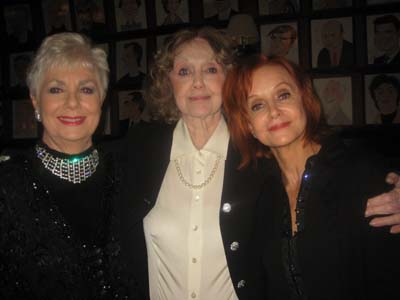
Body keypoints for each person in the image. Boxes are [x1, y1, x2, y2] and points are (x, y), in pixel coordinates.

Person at [119, 26, 400, 300]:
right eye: (184, 71)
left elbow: (335, 163)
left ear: (229, 81)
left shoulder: (258, 158)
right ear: (167, 82)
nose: (197, 82)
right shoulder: (141, 150)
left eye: (211, 69)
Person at [223, 54, 400, 299]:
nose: (273, 111)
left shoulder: (362, 173)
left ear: (304, 100)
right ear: (249, 125)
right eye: (257, 105)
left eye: (283, 95)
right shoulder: (260, 193)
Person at [0, 32, 139, 299]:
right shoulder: (7, 186)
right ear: (35, 100)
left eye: (86, 89)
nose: (72, 102)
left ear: (101, 99)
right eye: (56, 89)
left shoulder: (131, 173)